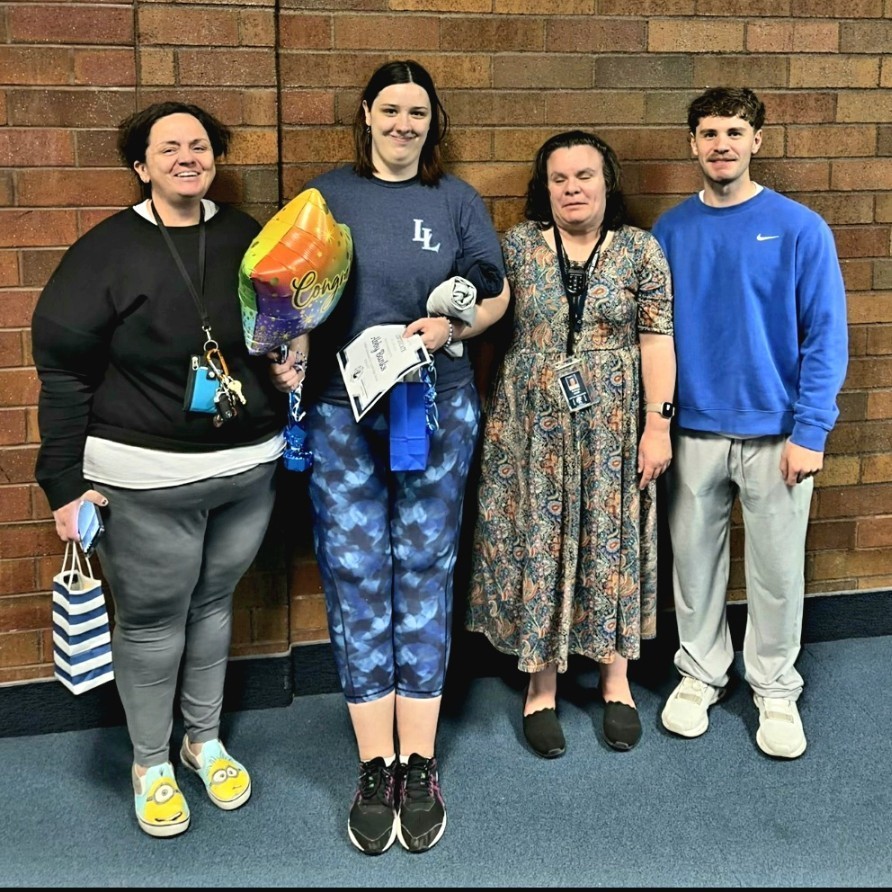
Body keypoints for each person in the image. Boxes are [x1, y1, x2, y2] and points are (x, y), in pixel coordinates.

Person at [269, 60, 509, 855]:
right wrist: (288, 352)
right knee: (356, 570)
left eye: (419, 112)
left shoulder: (456, 200)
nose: (405, 124)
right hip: (343, 412)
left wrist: (454, 327)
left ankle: (420, 761)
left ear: (431, 121)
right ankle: (375, 764)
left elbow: (495, 289)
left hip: (431, 407)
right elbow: (293, 293)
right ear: (367, 112)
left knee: (425, 566)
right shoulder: (323, 198)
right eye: (392, 109)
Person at [31, 101, 288, 837]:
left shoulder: (247, 236)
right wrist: (62, 483)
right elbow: (65, 376)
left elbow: (275, 331)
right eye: (168, 147)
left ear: (214, 159)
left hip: (247, 471)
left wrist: (286, 362)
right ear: (141, 165)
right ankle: (151, 762)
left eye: (199, 145)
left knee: (212, 608)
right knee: (150, 624)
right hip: (141, 481)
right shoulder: (105, 252)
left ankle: (202, 741)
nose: (187, 156)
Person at [465, 131, 676, 759]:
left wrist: (658, 424)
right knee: (540, 538)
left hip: (615, 427)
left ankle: (616, 682)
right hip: (531, 430)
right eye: (560, 179)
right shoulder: (520, 246)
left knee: (611, 539)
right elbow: (489, 328)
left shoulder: (641, 251)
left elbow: (657, 340)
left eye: (584, 176)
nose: (572, 188)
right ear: (545, 187)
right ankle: (541, 687)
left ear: (606, 181)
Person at [651, 87, 849, 759]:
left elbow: (826, 337)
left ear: (756, 141)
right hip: (694, 431)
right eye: (709, 133)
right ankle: (701, 674)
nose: (722, 144)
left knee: (776, 571)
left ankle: (774, 689)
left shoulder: (800, 229)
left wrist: (810, 431)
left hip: (777, 435)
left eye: (735, 131)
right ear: (693, 144)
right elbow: (655, 337)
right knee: (695, 566)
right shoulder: (669, 233)